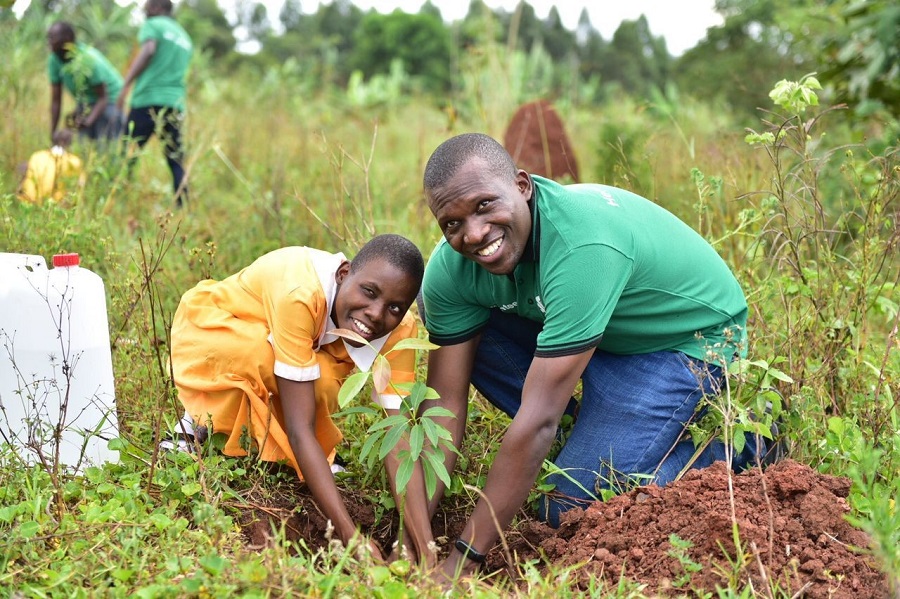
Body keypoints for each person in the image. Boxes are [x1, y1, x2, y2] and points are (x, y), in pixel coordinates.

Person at [403, 133, 776, 579]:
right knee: (444, 309)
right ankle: (598, 429)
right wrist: (414, 538)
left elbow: (538, 419)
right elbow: (444, 407)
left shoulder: (582, 246)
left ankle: (746, 439)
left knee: (567, 503)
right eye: (452, 223)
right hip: (596, 334)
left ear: (522, 185)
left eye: (484, 206)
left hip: (682, 343)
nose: (475, 234)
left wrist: (465, 557)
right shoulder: (452, 270)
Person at [169, 234, 425, 560]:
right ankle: (198, 424)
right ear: (344, 273)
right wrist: (350, 536)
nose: (376, 313)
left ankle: (305, 458)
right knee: (259, 357)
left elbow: (400, 437)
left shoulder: (402, 330)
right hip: (216, 337)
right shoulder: (300, 292)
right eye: (369, 292)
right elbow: (299, 428)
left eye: (394, 307)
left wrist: (417, 543)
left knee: (324, 382)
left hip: (294, 347)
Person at [117, 0, 192, 206]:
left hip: (147, 100)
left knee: (127, 155)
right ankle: (183, 207)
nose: (144, 10)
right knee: (175, 159)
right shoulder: (185, 37)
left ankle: (118, 200)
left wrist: (126, 84)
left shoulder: (153, 25)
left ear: (158, 7)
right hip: (174, 104)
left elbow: (149, 50)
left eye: (148, 6)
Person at [47, 21, 125, 143]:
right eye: (48, 37)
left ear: (67, 39)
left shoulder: (87, 59)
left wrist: (87, 121)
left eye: (53, 37)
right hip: (86, 101)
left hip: (109, 99)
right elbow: (56, 100)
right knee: (82, 143)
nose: (49, 41)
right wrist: (53, 133)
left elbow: (103, 98)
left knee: (104, 143)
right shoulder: (54, 59)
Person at [18, 129, 86, 204]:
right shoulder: (74, 161)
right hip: (56, 206)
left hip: (29, 202)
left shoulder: (36, 156)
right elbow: (81, 184)